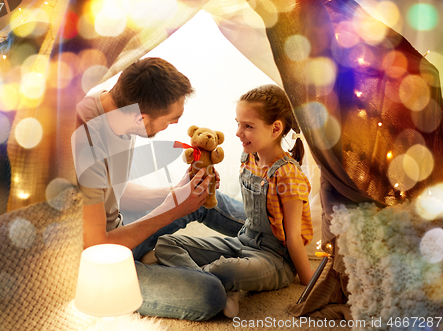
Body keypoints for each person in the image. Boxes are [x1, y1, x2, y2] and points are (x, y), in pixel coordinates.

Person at [72, 57, 247, 320]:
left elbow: (112, 192)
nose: (175, 124)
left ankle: (272, 237)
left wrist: (173, 193)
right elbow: (96, 245)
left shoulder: (115, 108)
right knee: (209, 294)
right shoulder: (87, 141)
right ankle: (154, 260)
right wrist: (172, 210)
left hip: (116, 228)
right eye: (172, 118)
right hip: (93, 262)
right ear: (140, 118)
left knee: (202, 195)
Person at [154, 84, 314, 317]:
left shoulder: (289, 175)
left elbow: (293, 239)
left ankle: (213, 281)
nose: (238, 132)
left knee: (224, 268)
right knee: (166, 243)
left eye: (248, 126)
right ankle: (215, 285)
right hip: (243, 240)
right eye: (238, 123)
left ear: (275, 128)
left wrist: (309, 283)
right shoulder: (248, 157)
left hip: (275, 260)